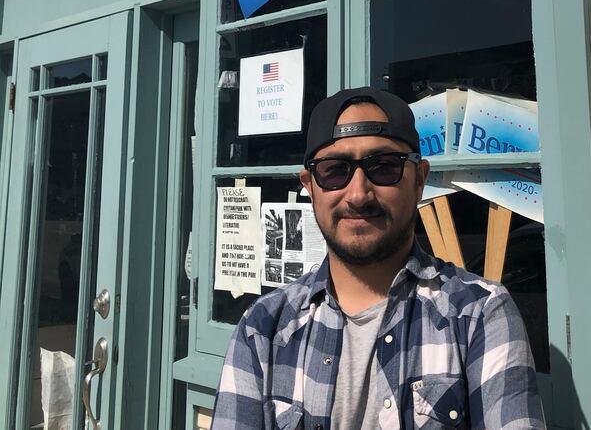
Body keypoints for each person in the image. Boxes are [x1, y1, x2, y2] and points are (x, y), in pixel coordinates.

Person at [211, 87, 545, 429]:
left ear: (419, 180)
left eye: (384, 167)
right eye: (334, 170)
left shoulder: (479, 315)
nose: (358, 194)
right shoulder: (263, 328)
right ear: (310, 187)